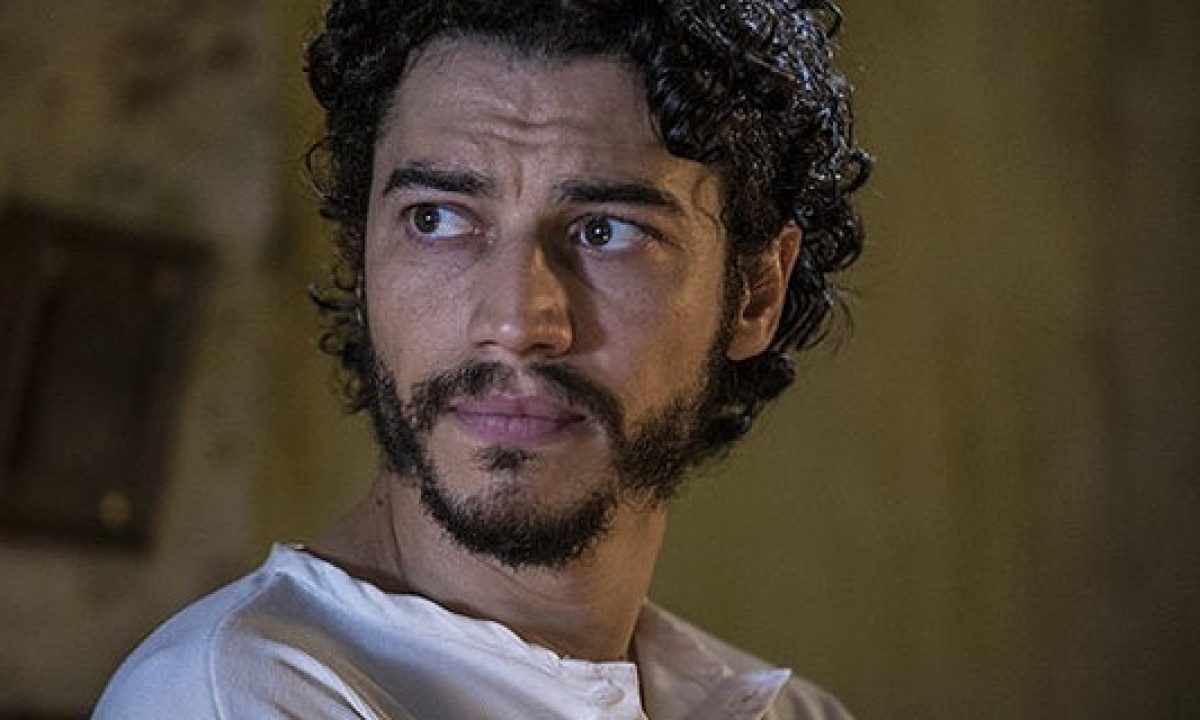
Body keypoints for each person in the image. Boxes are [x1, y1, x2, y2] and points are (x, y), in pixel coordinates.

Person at [95, 0, 870, 717]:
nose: (515, 321)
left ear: (755, 295)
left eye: (607, 231)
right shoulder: (230, 696)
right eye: (436, 219)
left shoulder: (794, 712)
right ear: (363, 260)